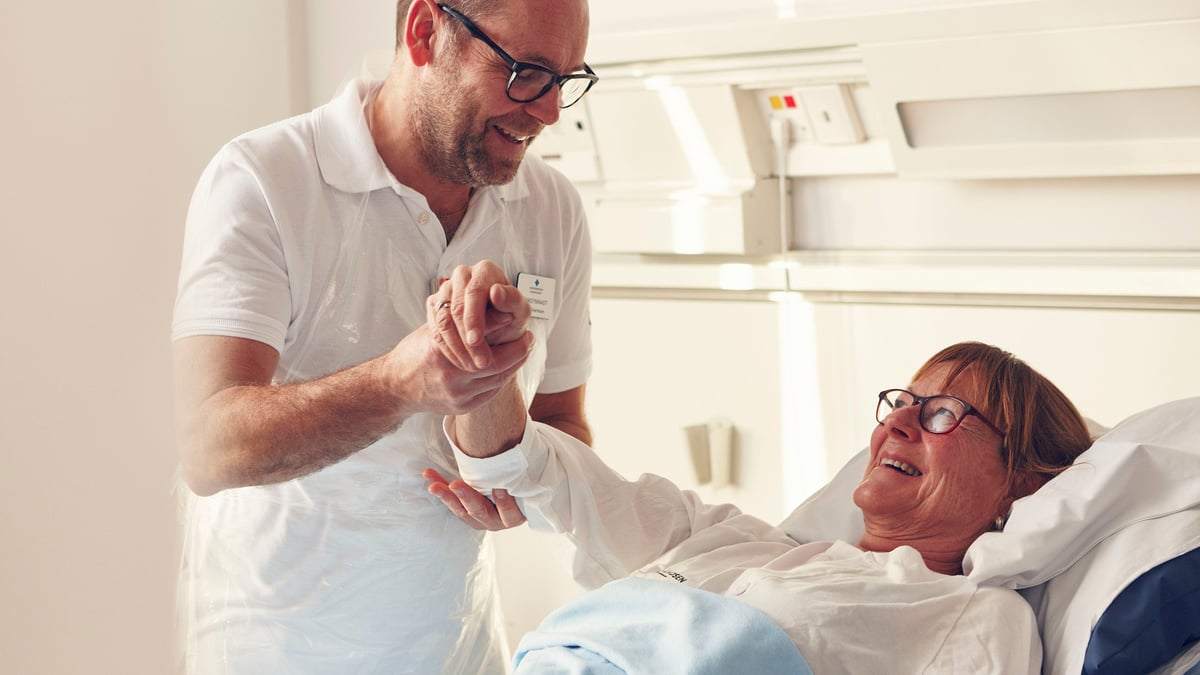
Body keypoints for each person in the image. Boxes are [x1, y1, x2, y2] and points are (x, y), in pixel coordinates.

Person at [170, 0, 598, 671]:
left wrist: (525, 488)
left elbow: (563, 425)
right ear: (426, 32)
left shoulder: (550, 209)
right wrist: (399, 383)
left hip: (459, 649)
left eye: (566, 80)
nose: (548, 111)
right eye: (526, 72)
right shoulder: (264, 179)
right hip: (274, 650)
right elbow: (208, 447)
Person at [426, 340, 1094, 673]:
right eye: (901, 402)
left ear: (1021, 482)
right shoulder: (738, 541)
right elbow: (533, 469)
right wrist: (482, 357)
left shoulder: (971, 611)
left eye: (943, 412)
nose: (898, 422)